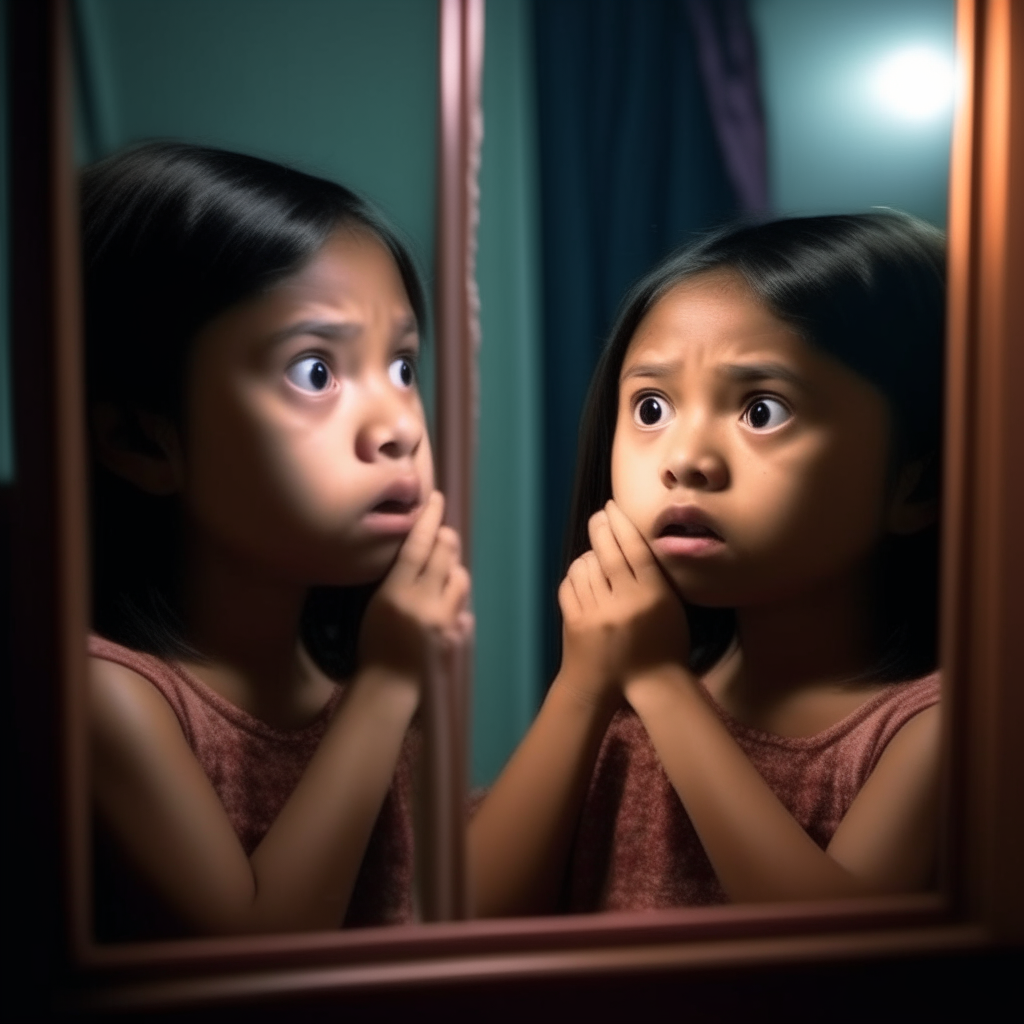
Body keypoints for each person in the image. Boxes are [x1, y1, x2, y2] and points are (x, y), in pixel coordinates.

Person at [470, 212, 944, 916]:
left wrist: (661, 682)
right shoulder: (609, 705)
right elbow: (457, 921)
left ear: (915, 483)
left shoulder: (937, 730)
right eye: (652, 407)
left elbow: (836, 967)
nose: (684, 459)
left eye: (761, 411)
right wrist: (582, 687)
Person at [85, 142, 472, 939]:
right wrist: (389, 684)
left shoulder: (363, 659)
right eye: (315, 373)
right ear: (140, 439)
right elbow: (254, 963)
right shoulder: (109, 699)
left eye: (402, 368)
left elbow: (435, 905)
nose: (397, 426)